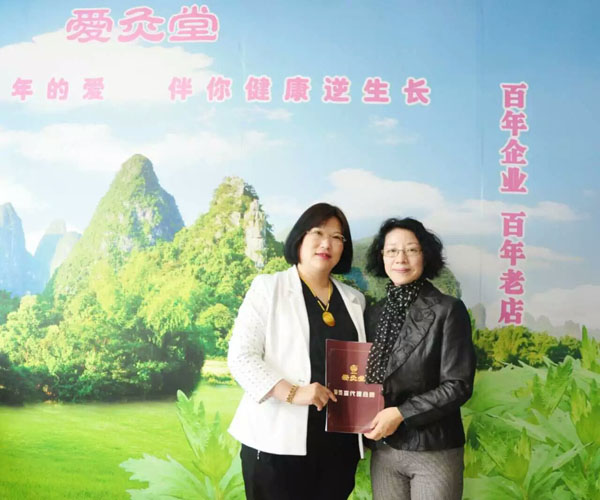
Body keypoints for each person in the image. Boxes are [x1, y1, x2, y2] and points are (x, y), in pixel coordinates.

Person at [228, 203, 366, 500]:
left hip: (338, 448)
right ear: (300, 238)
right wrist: (294, 392)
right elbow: (241, 358)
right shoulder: (269, 288)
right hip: (276, 443)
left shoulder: (355, 300)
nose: (326, 243)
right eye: (318, 233)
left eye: (337, 237)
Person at [364, 217, 476, 500]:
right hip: (384, 449)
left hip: (433, 448)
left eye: (411, 250)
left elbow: (458, 385)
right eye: (392, 250)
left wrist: (401, 414)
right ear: (381, 256)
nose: (400, 259)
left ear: (425, 255)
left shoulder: (448, 310)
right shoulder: (374, 313)